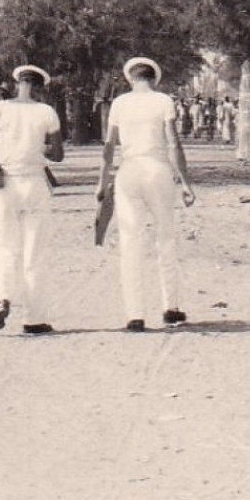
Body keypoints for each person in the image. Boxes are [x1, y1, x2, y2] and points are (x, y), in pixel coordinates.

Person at [96, 56, 195, 332]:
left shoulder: (119, 103)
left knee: (130, 241)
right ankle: (171, 307)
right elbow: (174, 143)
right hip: (158, 170)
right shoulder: (163, 101)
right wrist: (186, 182)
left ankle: (135, 314)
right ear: (154, 79)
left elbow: (108, 147)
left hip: (129, 171)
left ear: (131, 79)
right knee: (166, 236)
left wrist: (102, 182)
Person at [0, 65, 64, 335]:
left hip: (6, 184)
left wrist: (0, 158)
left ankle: (3, 297)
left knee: (4, 245)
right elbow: (58, 154)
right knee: (35, 252)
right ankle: (35, 318)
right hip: (35, 183)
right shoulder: (46, 112)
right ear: (39, 87)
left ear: (17, 83)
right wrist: (37, 148)